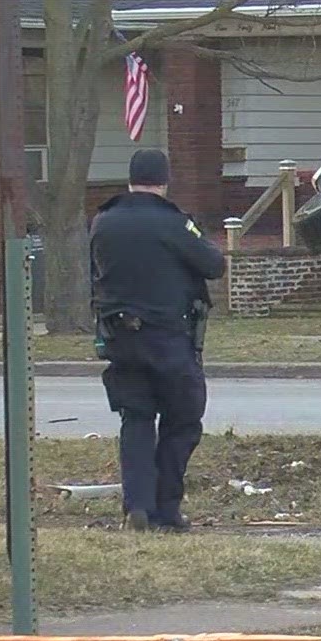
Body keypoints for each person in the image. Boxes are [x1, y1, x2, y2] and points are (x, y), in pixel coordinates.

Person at [90, 149, 225, 532]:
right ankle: (166, 510)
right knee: (183, 420)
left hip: (118, 338)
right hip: (168, 337)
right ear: (164, 181)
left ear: (130, 180)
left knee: (136, 419)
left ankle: (137, 506)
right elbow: (214, 264)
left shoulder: (103, 221)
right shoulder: (172, 223)